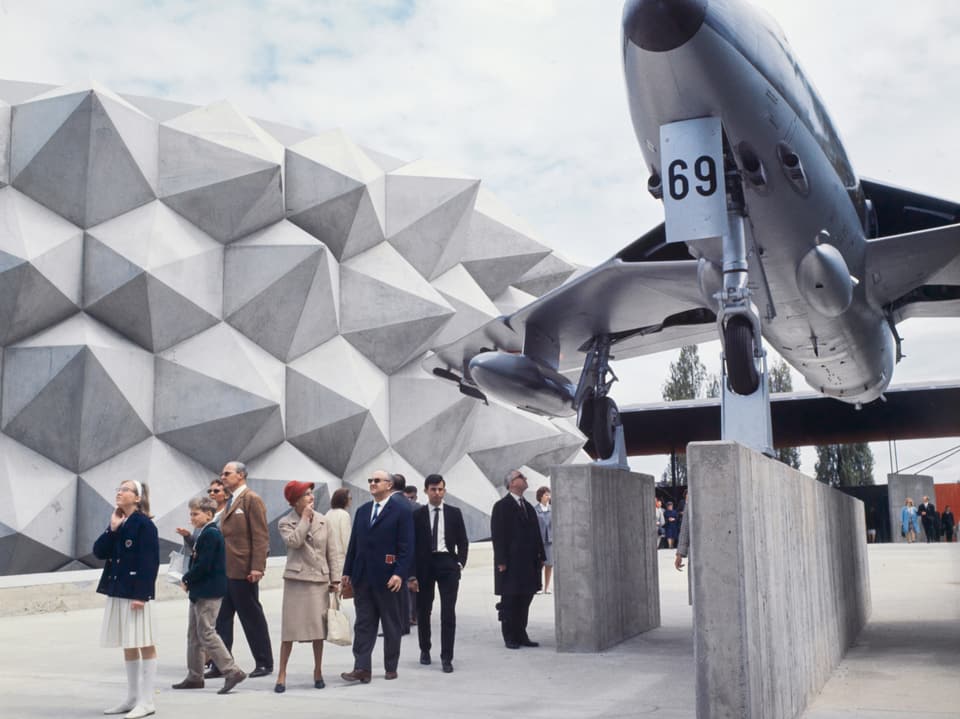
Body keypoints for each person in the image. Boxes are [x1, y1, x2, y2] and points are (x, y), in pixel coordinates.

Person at [340, 470, 414, 684]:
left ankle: (391, 666)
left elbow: (406, 546)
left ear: (389, 485)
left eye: (377, 480)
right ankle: (362, 668)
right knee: (363, 624)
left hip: (388, 579)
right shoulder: (363, 511)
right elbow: (354, 544)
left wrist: (400, 573)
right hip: (363, 578)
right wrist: (347, 572)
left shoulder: (401, 510)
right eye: (370, 480)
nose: (372, 483)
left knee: (391, 624)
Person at [94, 480, 160, 719]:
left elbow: (149, 562)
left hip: (135, 592)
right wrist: (112, 529)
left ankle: (147, 700)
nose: (119, 493)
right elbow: (99, 552)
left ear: (137, 498)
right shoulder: (120, 523)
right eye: (118, 489)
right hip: (118, 589)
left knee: (144, 642)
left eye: (124, 490)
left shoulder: (145, 525)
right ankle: (132, 697)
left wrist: (142, 595)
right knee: (129, 643)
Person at [172, 495, 246, 695]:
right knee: (194, 634)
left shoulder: (211, 534)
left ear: (208, 514)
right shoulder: (205, 533)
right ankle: (195, 676)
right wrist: (189, 538)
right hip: (201, 591)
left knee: (206, 632)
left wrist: (186, 578)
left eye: (195, 514)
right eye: (191, 514)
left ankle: (232, 671)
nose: (192, 517)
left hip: (208, 592)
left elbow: (204, 564)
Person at [275, 481, 344, 693]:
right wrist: (304, 519)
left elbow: (332, 552)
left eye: (312, 494)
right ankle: (281, 674)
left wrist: (336, 580)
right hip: (296, 582)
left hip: (319, 581)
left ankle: (318, 671)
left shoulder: (325, 521)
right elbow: (294, 542)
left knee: (317, 631)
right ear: (295, 501)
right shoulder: (285, 522)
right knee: (289, 631)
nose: (311, 497)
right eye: (306, 495)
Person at [208, 461, 274, 679]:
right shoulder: (230, 502)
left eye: (227, 473)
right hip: (225, 569)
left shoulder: (251, 499)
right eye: (222, 473)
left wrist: (257, 567)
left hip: (243, 570)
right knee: (222, 619)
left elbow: (261, 536)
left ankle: (264, 662)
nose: (223, 476)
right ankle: (222, 664)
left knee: (251, 617)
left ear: (241, 475)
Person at [409, 474, 469, 673]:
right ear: (426, 491)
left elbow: (463, 541)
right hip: (424, 565)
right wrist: (412, 573)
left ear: (444, 490)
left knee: (448, 613)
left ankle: (447, 657)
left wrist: (460, 563)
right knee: (424, 610)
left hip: (447, 564)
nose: (437, 493)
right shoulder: (417, 515)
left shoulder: (454, 513)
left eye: (440, 489)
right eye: (433, 489)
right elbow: (411, 545)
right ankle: (425, 649)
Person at [491, 469, 545, 650]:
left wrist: (541, 557)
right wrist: (501, 561)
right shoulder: (502, 506)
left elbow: (537, 535)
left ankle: (522, 633)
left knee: (525, 599)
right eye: (521, 477)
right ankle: (510, 636)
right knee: (510, 601)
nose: (525, 479)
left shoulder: (528, 507)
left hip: (529, 564)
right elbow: (498, 536)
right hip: (510, 564)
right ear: (512, 483)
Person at [534, 486, 553, 594]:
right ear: (541, 496)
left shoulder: (552, 509)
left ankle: (547, 587)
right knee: (539, 564)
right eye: (546, 495)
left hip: (550, 540)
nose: (548, 497)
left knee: (549, 564)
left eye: (549, 495)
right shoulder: (535, 509)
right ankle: (539, 586)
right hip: (539, 541)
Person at [326, 488, 353, 556]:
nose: (351, 500)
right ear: (344, 500)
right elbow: (346, 540)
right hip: (341, 558)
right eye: (350, 498)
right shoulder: (344, 515)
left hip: (329, 556)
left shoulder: (328, 513)